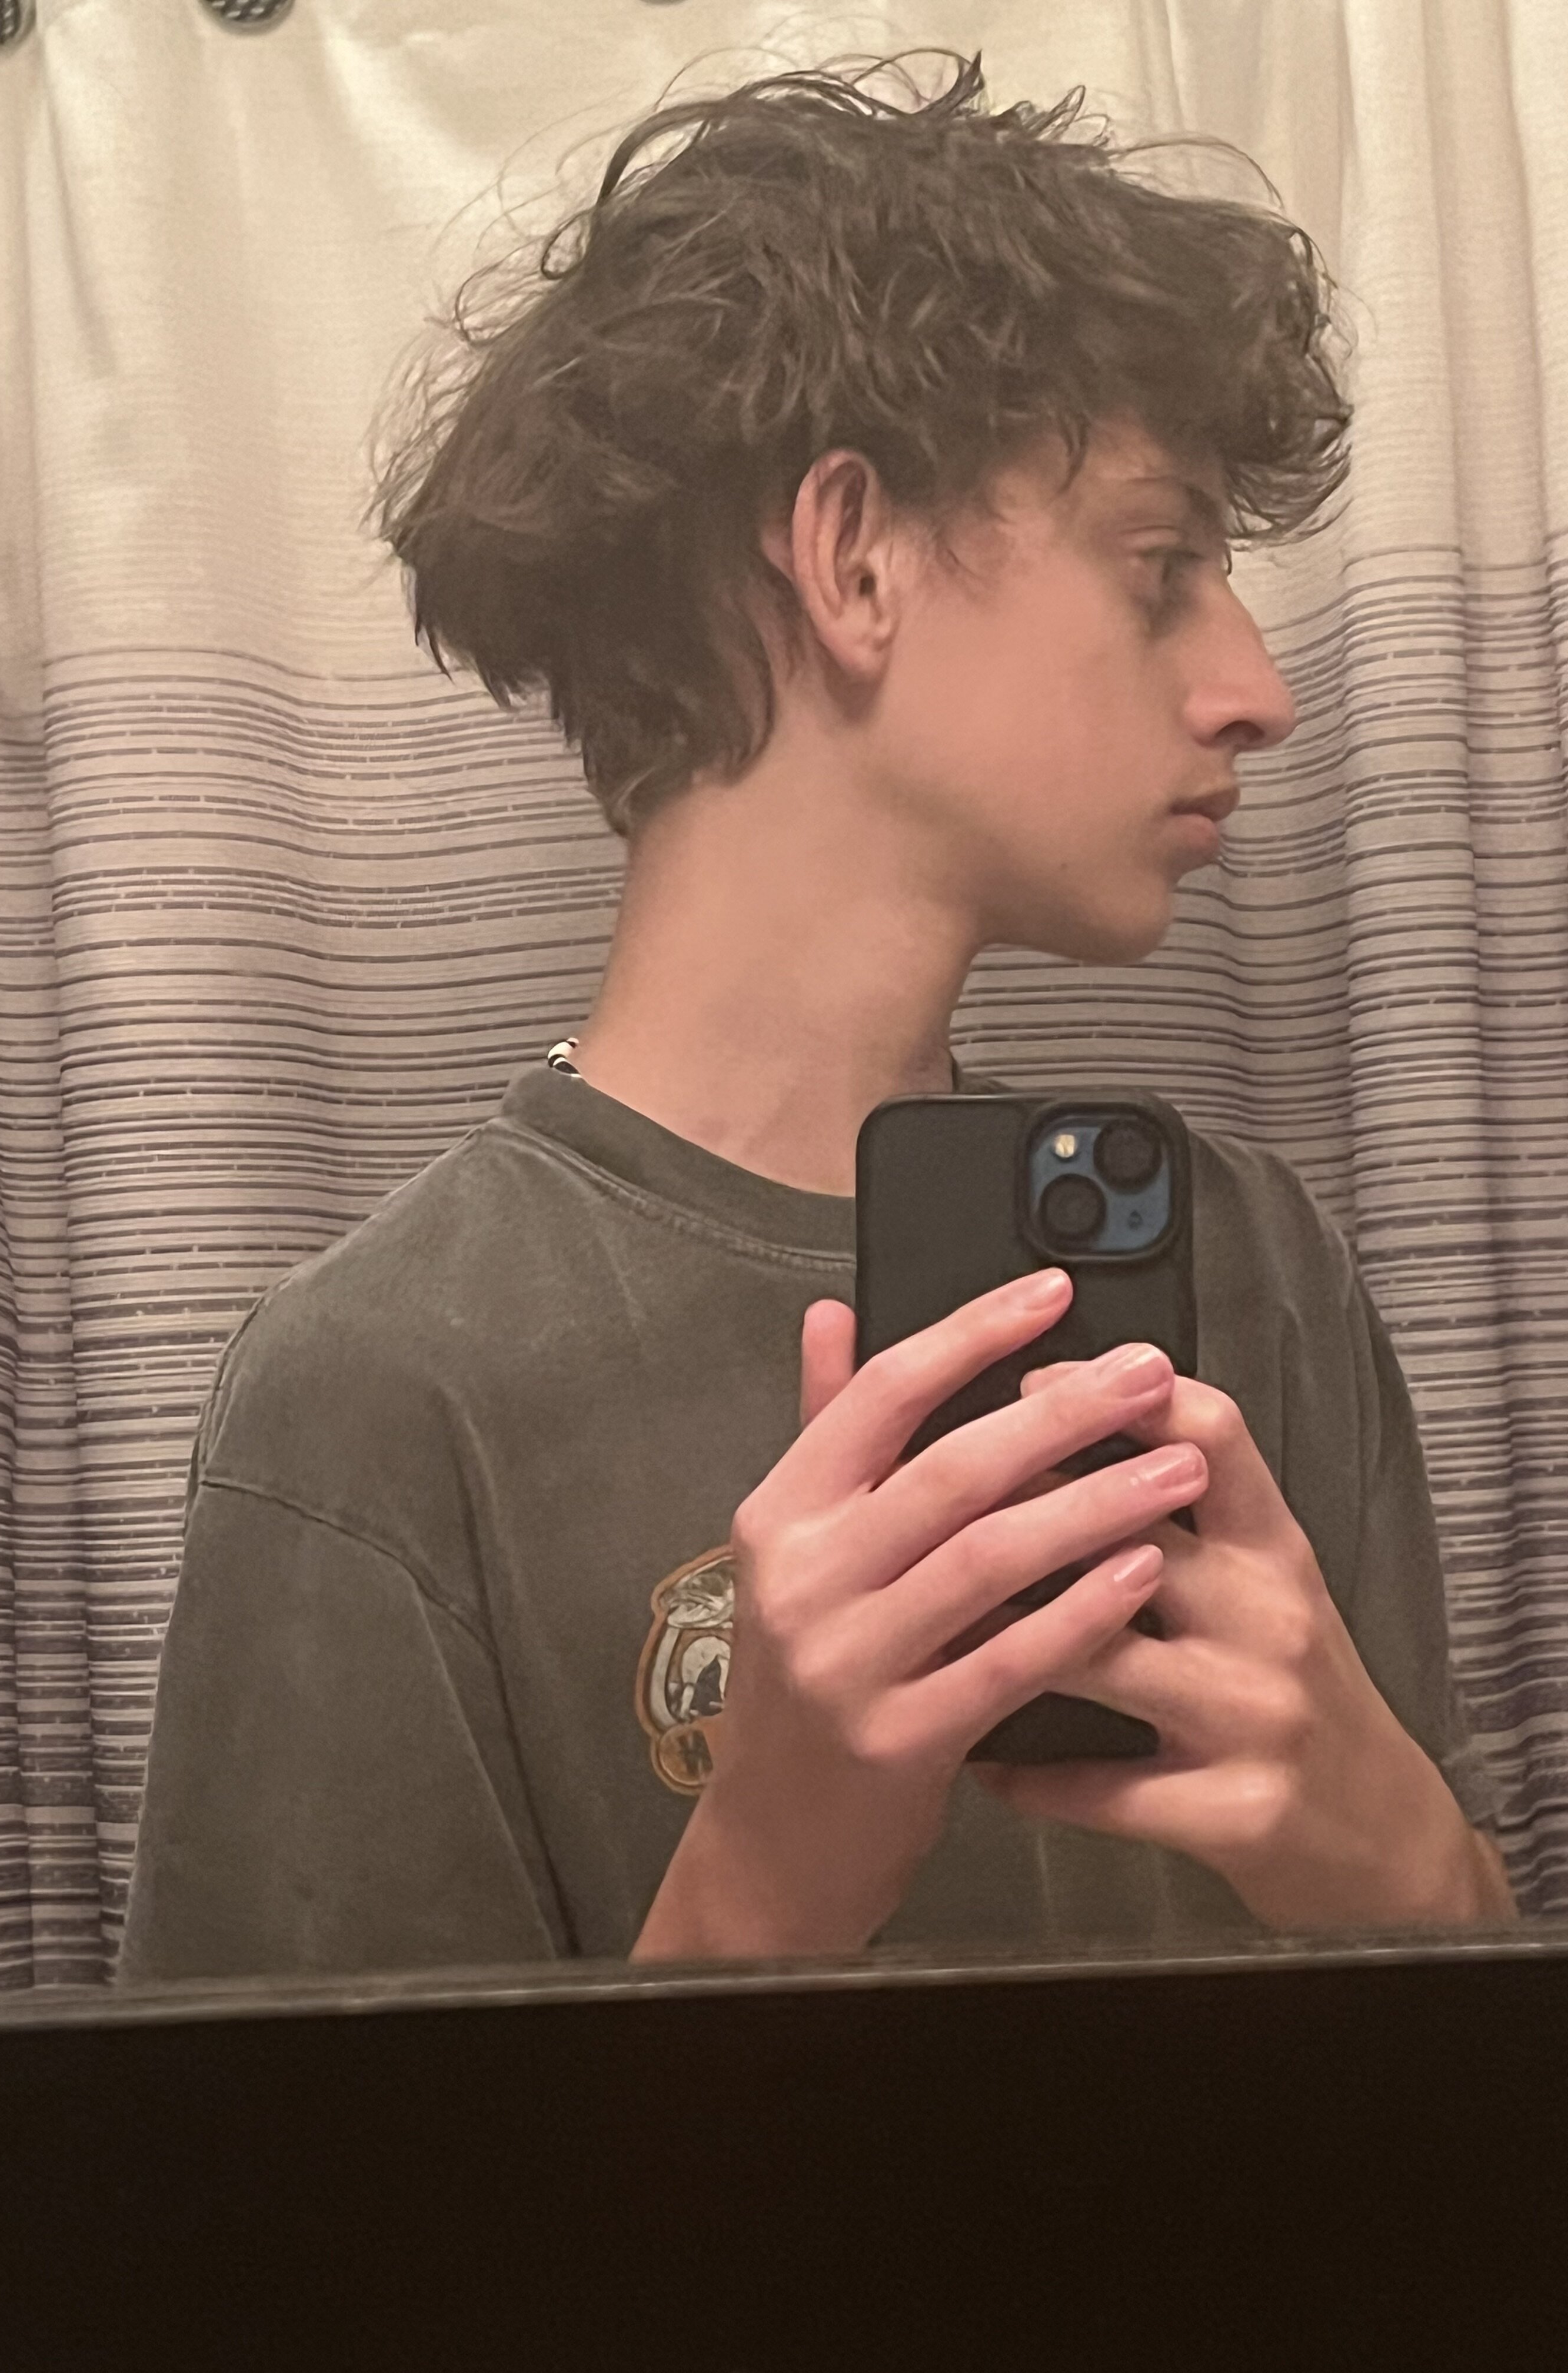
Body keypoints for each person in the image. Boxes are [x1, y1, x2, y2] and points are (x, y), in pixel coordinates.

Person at [119, 54, 1514, 1982]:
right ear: (852, 557)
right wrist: (766, 1879)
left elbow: (1470, 2117)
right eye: (1163, 567)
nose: (1258, 689)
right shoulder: (380, 1395)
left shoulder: (1254, 1270)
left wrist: (1407, 1869)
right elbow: (292, 2186)